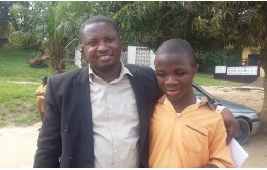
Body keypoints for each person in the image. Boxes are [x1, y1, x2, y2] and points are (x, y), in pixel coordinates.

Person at [33, 15, 238, 168]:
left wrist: (219, 110)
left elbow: (178, 91)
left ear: (119, 40)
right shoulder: (61, 87)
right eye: (93, 43)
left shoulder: (146, 78)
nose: (102, 47)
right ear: (83, 48)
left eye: (109, 39)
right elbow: (47, 149)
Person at [149, 39, 235, 168]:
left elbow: (223, 162)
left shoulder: (213, 118)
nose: (170, 81)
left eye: (180, 73)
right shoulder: (151, 110)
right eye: (161, 74)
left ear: (194, 71)